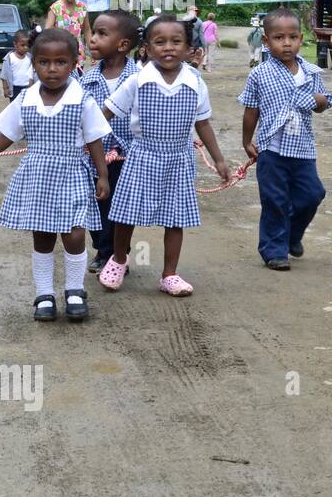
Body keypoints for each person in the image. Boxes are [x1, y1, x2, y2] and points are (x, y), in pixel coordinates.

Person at [0, 28, 111, 322]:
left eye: (60, 62)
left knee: (74, 234)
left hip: (72, 174)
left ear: (73, 64)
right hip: (37, 176)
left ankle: (74, 290)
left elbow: (94, 139)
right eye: (44, 62)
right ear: (34, 63)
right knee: (42, 236)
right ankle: (44, 293)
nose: (52, 69)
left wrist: (102, 175)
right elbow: (7, 134)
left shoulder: (82, 98)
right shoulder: (26, 99)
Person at [97, 15, 231, 297]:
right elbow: (105, 112)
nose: (168, 48)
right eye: (160, 42)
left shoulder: (195, 81)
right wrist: (83, 139)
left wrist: (218, 159)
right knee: (125, 214)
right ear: (146, 48)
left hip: (179, 159)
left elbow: (203, 123)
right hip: (142, 156)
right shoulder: (137, 80)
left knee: (175, 218)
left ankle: (169, 274)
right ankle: (118, 259)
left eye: (176, 42)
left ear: (189, 49)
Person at [238, 9, 332, 270]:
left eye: (292, 37)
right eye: (279, 38)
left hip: (303, 149)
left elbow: (322, 104)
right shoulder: (260, 74)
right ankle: (273, 251)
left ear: (301, 39)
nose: (287, 43)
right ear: (267, 42)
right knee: (275, 200)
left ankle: (291, 235)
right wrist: (247, 141)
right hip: (272, 149)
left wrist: (319, 101)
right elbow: (251, 109)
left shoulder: (311, 72)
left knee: (313, 194)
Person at [82, 11, 141, 274]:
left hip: (128, 157)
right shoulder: (86, 80)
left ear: (123, 44)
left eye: (101, 34)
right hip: (94, 156)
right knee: (95, 203)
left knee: (122, 208)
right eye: (93, 32)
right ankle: (102, 249)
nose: (92, 39)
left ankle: (117, 255)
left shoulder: (140, 79)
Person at [45, 0, 88, 72]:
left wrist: (93, 52)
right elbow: (47, 32)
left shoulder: (83, 8)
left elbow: (87, 30)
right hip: (59, 53)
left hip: (78, 54)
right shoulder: (55, 8)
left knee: (77, 82)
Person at [0, 30, 34, 101]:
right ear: (15, 44)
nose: (26, 48)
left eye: (28, 45)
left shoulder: (30, 57)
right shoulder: (9, 58)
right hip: (14, 88)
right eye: (23, 45)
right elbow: (4, 75)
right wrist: (5, 89)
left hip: (27, 87)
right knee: (15, 107)